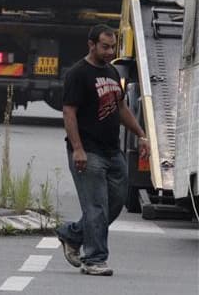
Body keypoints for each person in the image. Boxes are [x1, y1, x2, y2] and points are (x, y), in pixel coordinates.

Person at [56, 24, 149, 276]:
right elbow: (69, 112)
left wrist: (141, 135)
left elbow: (120, 108)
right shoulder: (78, 74)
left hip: (112, 151)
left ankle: (72, 234)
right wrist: (77, 149)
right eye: (105, 47)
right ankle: (95, 259)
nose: (109, 52)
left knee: (115, 203)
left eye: (112, 47)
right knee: (96, 207)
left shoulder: (109, 72)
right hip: (88, 152)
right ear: (91, 45)